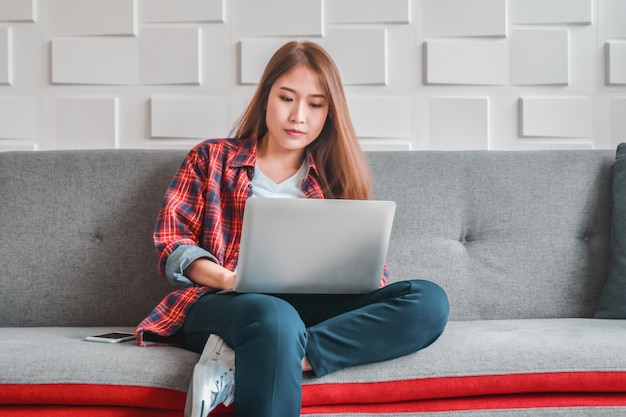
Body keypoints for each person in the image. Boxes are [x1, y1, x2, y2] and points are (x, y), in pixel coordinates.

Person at [136, 40, 449, 417]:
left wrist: (360, 278)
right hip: (226, 304)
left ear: (329, 114)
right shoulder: (211, 157)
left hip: (308, 310)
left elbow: (368, 267)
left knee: (428, 302)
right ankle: (268, 346)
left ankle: (263, 359)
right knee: (274, 317)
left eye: (315, 105)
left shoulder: (337, 178)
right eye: (287, 98)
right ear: (266, 97)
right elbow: (174, 243)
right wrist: (228, 279)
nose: (298, 116)